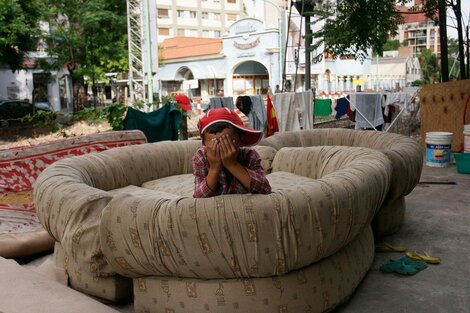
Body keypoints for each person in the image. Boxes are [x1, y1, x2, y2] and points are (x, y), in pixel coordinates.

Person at [192, 107, 271, 198]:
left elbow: (265, 189)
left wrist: (232, 164)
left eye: (227, 142)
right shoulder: (201, 157)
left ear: (241, 139)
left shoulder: (250, 156)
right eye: (215, 144)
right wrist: (214, 168)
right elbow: (199, 196)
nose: (222, 148)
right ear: (204, 145)